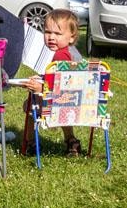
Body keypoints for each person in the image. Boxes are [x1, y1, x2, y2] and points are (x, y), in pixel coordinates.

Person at [22, 9, 83, 156]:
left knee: (30, 105)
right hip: (75, 104)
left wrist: (40, 87)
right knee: (61, 108)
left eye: (57, 34)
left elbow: (60, 86)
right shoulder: (72, 53)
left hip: (58, 103)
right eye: (48, 32)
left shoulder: (60, 57)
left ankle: (29, 142)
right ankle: (71, 140)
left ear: (71, 37)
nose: (51, 37)